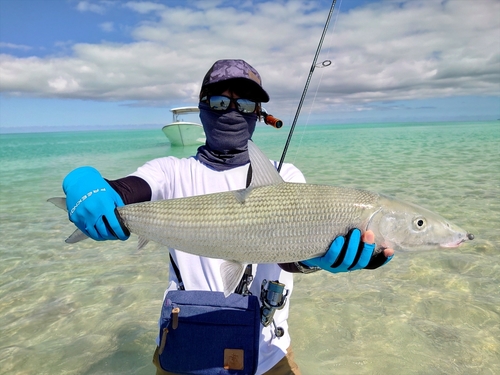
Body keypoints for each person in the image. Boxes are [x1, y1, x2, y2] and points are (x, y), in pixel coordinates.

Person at [62, 59, 394, 375]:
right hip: (183, 349)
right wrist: (89, 185)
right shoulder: (170, 171)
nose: (233, 110)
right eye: (221, 101)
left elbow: (289, 256)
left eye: (246, 104)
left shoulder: (286, 176)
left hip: (268, 355)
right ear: (203, 107)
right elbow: (128, 191)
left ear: (258, 114)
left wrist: (315, 258)